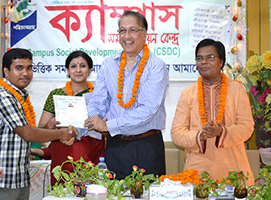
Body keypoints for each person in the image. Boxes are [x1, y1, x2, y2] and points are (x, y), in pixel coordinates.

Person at [0, 48, 78, 200]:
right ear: (6, 71)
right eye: (19, 68)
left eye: (29, 68)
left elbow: (23, 130)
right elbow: (27, 133)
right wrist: (61, 134)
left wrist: (47, 128)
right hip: (1, 180)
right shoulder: (3, 97)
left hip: (18, 177)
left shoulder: (20, 96)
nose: (25, 73)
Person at [84, 10, 169, 180]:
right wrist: (84, 123)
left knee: (146, 196)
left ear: (144, 34)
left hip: (146, 146)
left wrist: (108, 126)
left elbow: (148, 110)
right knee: (113, 195)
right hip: (115, 145)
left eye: (132, 30)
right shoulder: (109, 64)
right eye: (122, 30)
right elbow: (98, 102)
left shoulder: (156, 66)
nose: (126, 36)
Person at [171, 38, 254, 186]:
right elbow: (177, 132)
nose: (203, 62)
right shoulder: (188, 93)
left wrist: (222, 132)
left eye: (210, 57)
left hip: (233, 167)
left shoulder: (237, 91)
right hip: (197, 169)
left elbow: (247, 127)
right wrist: (200, 135)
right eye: (199, 58)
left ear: (221, 61)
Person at [31, 51, 105, 186]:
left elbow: (105, 123)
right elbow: (42, 128)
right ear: (67, 70)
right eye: (73, 66)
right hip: (61, 148)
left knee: (88, 187)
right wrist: (51, 125)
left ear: (89, 70)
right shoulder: (56, 94)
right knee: (61, 187)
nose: (78, 70)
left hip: (90, 149)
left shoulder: (98, 95)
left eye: (82, 66)